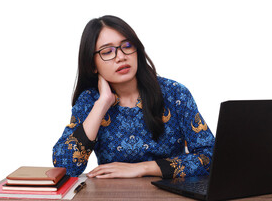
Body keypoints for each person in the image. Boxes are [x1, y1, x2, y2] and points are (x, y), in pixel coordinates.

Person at [52, 15, 215, 179]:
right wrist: (102, 104)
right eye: (107, 51)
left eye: (127, 46)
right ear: (92, 65)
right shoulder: (90, 101)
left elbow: (210, 156)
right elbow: (65, 167)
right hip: (112, 195)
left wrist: (143, 168)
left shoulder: (174, 93)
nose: (121, 57)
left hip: (170, 192)